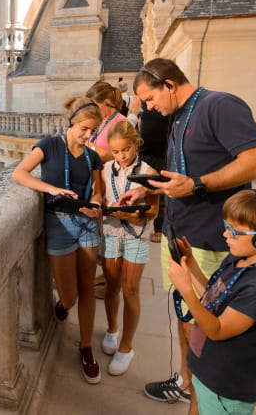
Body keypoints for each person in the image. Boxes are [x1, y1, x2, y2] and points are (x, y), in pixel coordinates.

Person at [118, 58, 256, 413]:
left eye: (150, 99)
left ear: (169, 85)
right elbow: (184, 174)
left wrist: (198, 185)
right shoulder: (178, 115)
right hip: (183, 237)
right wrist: (151, 190)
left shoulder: (219, 104)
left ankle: (200, 395)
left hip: (211, 239)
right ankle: (187, 384)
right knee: (186, 321)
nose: (149, 109)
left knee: (201, 328)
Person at [168, 188, 256, 414]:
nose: (225, 235)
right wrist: (190, 264)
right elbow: (212, 294)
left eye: (234, 231)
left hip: (226, 387)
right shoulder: (237, 259)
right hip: (208, 370)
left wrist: (186, 292)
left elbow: (218, 330)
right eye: (226, 227)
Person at [12, 97, 104, 384]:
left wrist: (95, 204)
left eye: (93, 131)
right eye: (85, 129)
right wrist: (52, 188)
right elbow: (19, 173)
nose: (88, 136)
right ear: (72, 123)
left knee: (87, 290)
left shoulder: (93, 157)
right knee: (70, 296)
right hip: (59, 223)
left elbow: (99, 194)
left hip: (87, 225)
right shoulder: (49, 145)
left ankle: (86, 348)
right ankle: (64, 305)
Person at [99, 120, 158, 375]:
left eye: (125, 149)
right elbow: (99, 198)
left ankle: (126, 347)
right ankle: (112, 330)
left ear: (136, 144)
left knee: (130, 290)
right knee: (111, 286)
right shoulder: (104, 170)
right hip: (112, 232)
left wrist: (137, 216)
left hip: (137, 235)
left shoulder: (149, 171)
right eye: (115, 151)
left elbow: (154, 210)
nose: (121, 156)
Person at [138, 100, 171, 243]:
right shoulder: (145, 103)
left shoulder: (165, 102)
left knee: (160, 191)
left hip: (162, 153)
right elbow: (140, 120)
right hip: (145, 152)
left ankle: (159, 228)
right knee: (142, 187)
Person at [85, 82, 128, 162]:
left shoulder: (121, 123)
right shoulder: (100, 120)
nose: (92, 110)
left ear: (107, 103)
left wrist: (90, 147)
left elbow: (121, 157)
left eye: (94, 106)